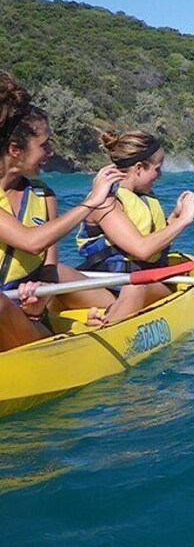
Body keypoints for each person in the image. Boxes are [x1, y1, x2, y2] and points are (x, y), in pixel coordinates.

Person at [0, 71, 125, 351]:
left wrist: (37, 304)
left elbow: (48, 268)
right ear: (15, 149)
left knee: (74, 281)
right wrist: (90, 203)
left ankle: (109, 321)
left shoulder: (44, 196)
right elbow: (31, 243)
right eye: (44, 145)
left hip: (28, 320)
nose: (51, 152)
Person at [77, 130, 194, 325]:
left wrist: (173, 219)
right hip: (107, 286)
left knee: (135, 285)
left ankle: (107, 323)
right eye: (157, 169)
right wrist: (184, 220)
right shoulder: (105, 201)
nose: (159, 176)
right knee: (54, 272)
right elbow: (142, 249)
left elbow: (147, 242)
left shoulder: (142, 196)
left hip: (144, 285)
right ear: (138, 168)